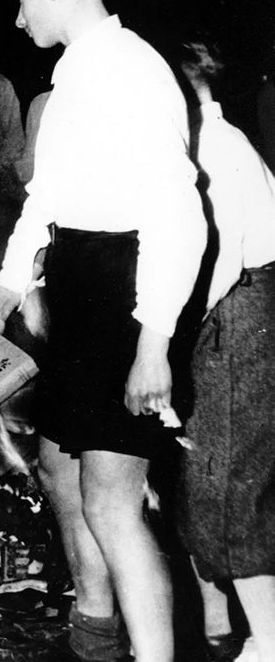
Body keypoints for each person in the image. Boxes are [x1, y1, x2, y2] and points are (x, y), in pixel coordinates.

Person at [0, 0, 205, 662]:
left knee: (111, 500)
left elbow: (180, 216)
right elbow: (48, 198)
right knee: (59, 472)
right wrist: (6, 287)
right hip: (74, 283)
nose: (17, 16)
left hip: (121, 295)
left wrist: (154, 341)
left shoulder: (133, 70)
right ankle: (94, 635)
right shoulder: (75, 72)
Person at [177, 39, 275, 662]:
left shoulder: (218, 149)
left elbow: (219, 261)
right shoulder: (213, 141)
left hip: (237, 315)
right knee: (206, 475)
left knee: (233, 484)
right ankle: (225, 629)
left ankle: (268, 643)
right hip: (231, 312)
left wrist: (174, 335)